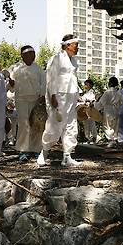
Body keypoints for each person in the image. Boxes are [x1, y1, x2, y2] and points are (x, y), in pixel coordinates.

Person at [38, 34, 83, 167]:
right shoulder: (56, 59)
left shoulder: (74, 61)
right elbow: (51, 78)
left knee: (71, 125)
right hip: (59, 96)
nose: (77, 48)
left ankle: (67, 156)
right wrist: (52, 95)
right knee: (54, 125)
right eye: (76, 45)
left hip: (71, 95)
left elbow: (72, 79)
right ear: (68, 45)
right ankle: (44, 153)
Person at [9, 45, 46, 162]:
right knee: (24, 125)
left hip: (36, 100)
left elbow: (44, 84)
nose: (32, 56)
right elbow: (11, 87)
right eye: (29, 54)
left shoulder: (39, 69)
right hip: (21, 100)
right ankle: (23, 150)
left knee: (36, 125)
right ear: (23, 56)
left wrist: (42, 96)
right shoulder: (16, 69)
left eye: (33, 54)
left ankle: (36, 149)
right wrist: (11, 83)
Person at [96, 77, 123, 147]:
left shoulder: (107, 92)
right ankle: (115, 139)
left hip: (108, 110)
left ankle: (111, 140)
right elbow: (122, 102)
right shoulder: (118, 93)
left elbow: (101, 103)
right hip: (116, 110)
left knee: (107, 126)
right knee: (115, 126)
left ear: (110, 83)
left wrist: (95, 106)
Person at [80, 79, 98, 143]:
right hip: (86, 110)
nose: (85, 86)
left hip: (90, 110)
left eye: (86, 84)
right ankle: (89, 138)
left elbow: (93, 101)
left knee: (91, 124)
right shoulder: (87, 93)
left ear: (89, 85)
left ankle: (93, 137)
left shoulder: (92, 92)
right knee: (87, 125)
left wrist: (88, 102)